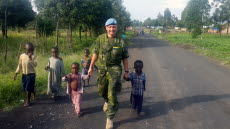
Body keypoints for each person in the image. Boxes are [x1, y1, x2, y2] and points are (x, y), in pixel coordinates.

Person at [88, 18, 129, 129]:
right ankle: (106, 100)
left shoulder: (121, 40)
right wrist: (90, 67)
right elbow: (95, 53)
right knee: (101, 91)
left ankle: (109, 118)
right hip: (102, 69)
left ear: (117, 28)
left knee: (112, 93)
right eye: (110, 27)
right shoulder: (100, 39)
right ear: (106, 28)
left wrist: (126, 71)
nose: (112, 29)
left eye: (114, 27)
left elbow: (125, 58)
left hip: (115, 70)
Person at [14, 42, 37, 107]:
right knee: (24, 87)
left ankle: (28, 101)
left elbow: (35, 65)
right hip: (24, 75)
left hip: (31, 75)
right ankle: (33, 91)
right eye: (28, 49)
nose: (30, 51)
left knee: (28, 88)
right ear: (25, 49)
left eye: (31, 50)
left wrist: (30, 58)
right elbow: (20, 65)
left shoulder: (33, 56)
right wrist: (16, 73)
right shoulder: (22, 56)